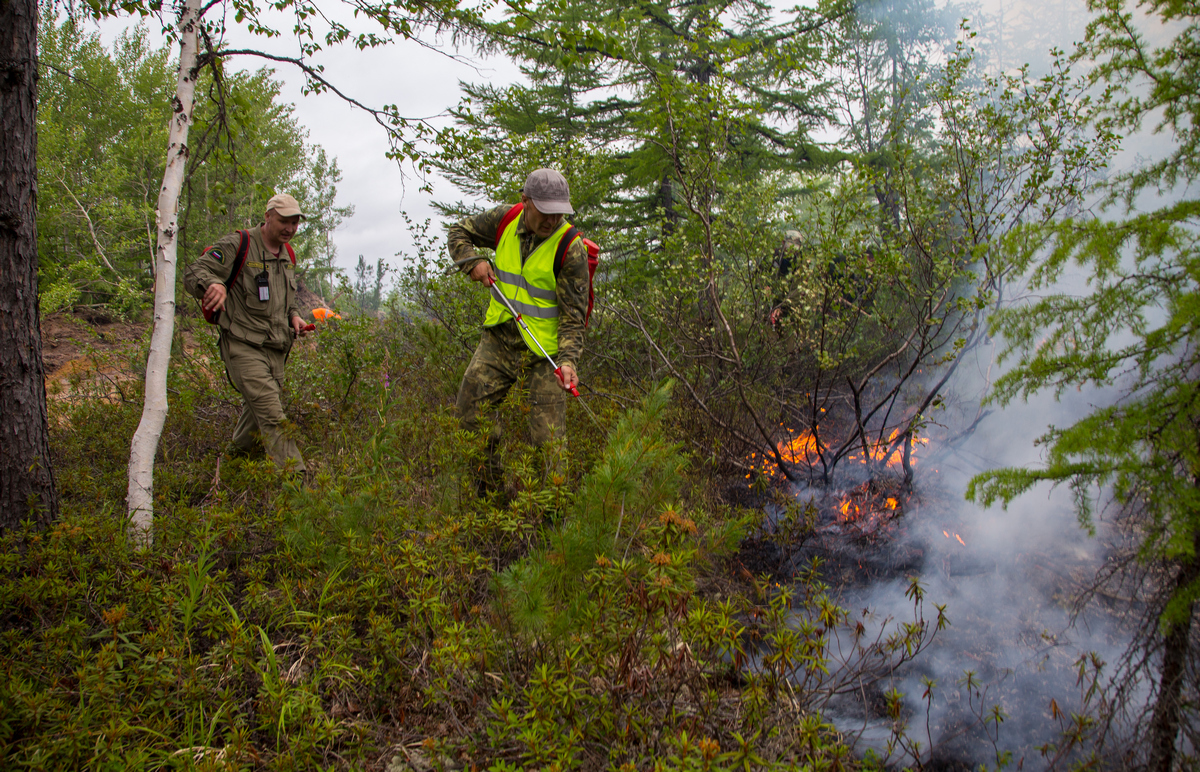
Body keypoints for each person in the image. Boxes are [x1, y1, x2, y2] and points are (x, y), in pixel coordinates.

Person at [448, 169, 590, 496]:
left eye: (559, 212)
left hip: (546, 352)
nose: (552, 219)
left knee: (548, 439)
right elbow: (459, 232)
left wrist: (568, 362)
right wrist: (472, 262)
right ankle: (491, 503)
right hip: (501, 337)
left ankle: (553, 526)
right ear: (525, 201)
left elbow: (573, 316)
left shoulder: (571, 248)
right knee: (471, 413)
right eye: (545, 211)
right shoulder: (505, 220)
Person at [184, 193, 309, 474]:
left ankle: (233, 466)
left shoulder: (288, 255)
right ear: (267, 217)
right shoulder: (238, 245)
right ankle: (298, 485)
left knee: (256, 414)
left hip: (276, 349)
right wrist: (213, 284)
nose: (289, 228)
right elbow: (194, 271)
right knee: (272, 414)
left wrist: (295, 317)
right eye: (283, 221)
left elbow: (287, 299)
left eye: (294, 223)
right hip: (243, 345)